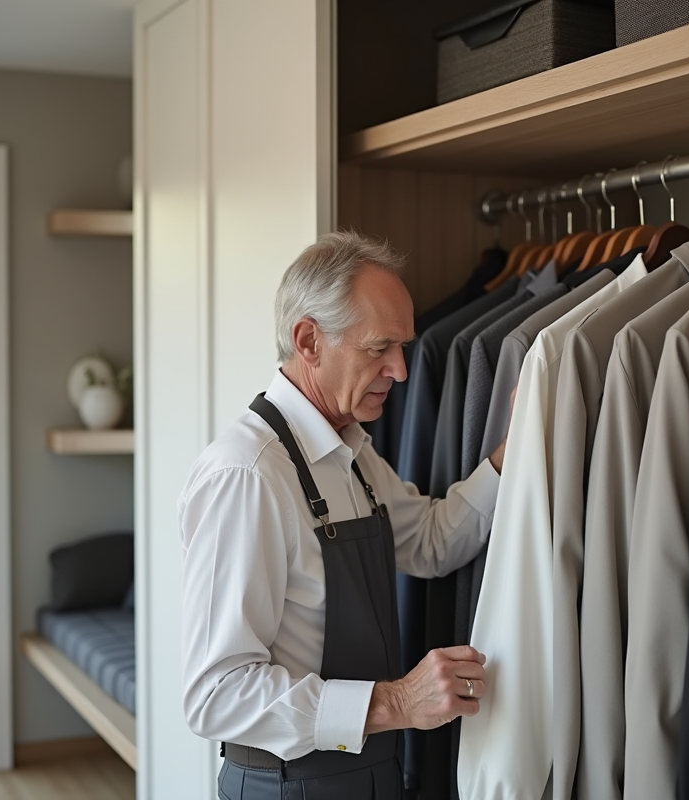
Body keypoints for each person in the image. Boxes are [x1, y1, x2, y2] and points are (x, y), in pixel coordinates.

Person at [178, 231, 506, 799]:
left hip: (373, 776)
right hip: (290, 786)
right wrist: (399, 701)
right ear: (309, 341)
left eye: (403, 347)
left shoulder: (350, 450)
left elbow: (431, 541)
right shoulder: (247, 475)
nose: (401, 371)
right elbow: (217, 695)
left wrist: (512, 453)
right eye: (380, 349)